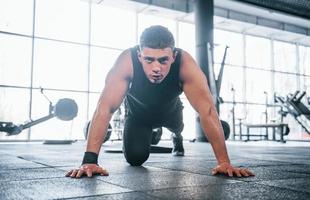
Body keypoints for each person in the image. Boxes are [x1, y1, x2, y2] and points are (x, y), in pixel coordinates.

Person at [66, 25, 254, 178]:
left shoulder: (185, 64)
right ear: (139, 56)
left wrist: (224, 162)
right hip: (138, 116)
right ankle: (152, 133)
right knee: (135, 159)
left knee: (177, 126)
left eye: (163, 60)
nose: (156, 67)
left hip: (170, 112)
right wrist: (89, 160)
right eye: (149, 60)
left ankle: (176, 136)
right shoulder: (126, 62)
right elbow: (104, 109)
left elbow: (208, 112)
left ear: (173, 56)